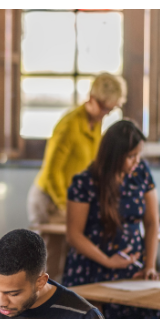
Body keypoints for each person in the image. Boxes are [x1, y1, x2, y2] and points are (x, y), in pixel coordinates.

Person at [62, 120, 160, 319]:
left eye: (138, 155)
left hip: (131, 271)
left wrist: (149, 265)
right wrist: (107, 260)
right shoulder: (84, 181)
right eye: (131, 156)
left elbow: (152, 224)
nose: (136, 162)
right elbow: (74, 235)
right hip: (90, 269)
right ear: (113, 154)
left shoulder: (141, 173)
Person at [29, 74, 127, 280]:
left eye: (110, 110)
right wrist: (67, 205)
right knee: (50, 264)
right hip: (50, 199)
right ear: (91, 98)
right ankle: (39, 310)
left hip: (71, 199)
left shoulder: (95, 123)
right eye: (103, 108)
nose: (105, 114)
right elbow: (51, 173)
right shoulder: (69, 125)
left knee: (69, 261)